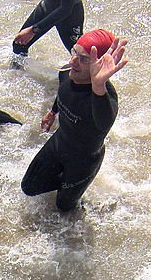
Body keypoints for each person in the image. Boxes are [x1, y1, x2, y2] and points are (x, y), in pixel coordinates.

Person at [21, 30, 125, 212]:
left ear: (100, 66)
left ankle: (77, 193)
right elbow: (64, 91)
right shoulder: (67, 73)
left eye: (85, 59)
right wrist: (53, 112)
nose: (73, 61)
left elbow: (103, 124)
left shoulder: (105, 98)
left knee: (64, 207)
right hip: (59, 144)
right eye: (74, 52)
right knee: (29, 188)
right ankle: (66, 183)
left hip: (83, 162)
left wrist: (98, 85)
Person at [11, 0, 83, 57]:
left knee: (80, 55)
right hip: (47, 7)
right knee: (19, 44)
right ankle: (18, 74)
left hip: (69, 17)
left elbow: (65, 9)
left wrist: (33, 30)